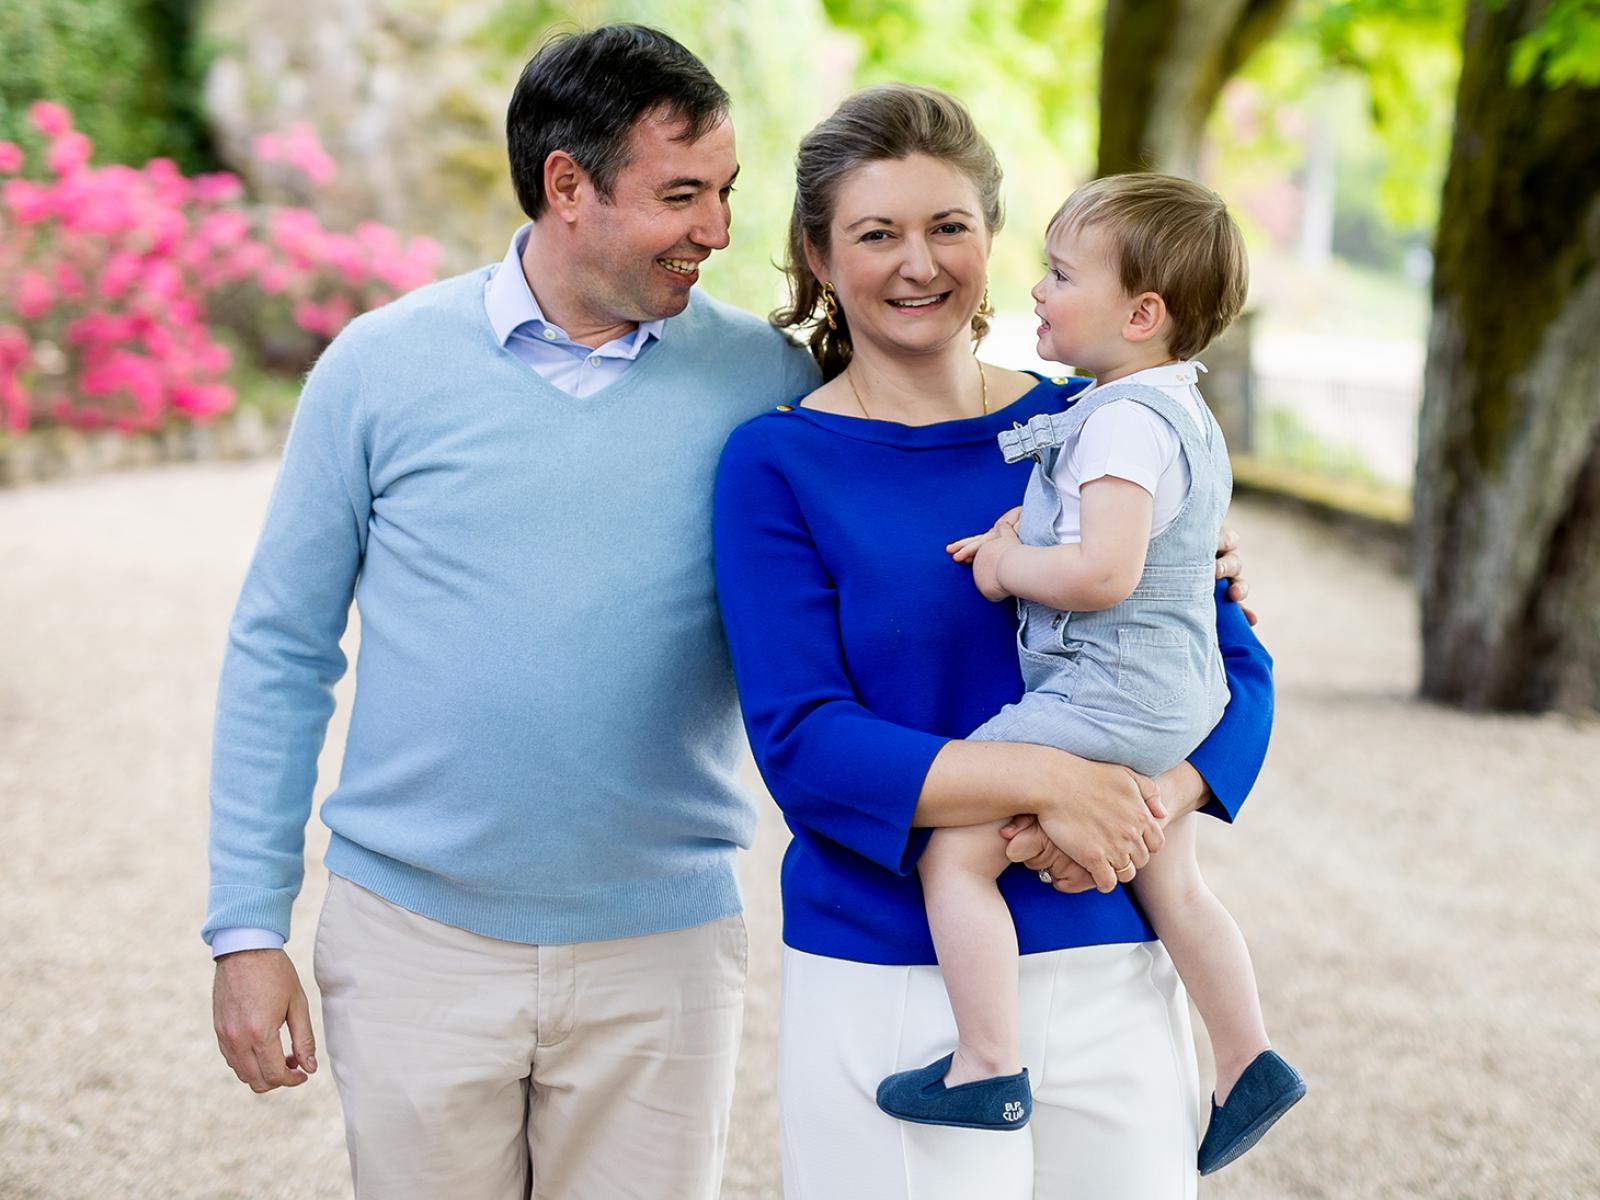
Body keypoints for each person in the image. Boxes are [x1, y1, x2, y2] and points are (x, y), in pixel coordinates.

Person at [204, 25, 818, 1200]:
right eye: (680, 194)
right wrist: (246, 927)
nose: (719, 230)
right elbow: (281, 648)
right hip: (413, 948)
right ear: (566, 186)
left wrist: (1134, 495)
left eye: (726, 192)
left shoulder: (767, 388)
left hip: (664, 958)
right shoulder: (379, 370)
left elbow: (913, 498)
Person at [712, 84, 1273, 1199]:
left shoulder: (1104, 422)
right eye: (876, 234)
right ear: (819, 257)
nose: (917, 263)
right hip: (891, 977)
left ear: (990, 239)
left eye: (947, 227)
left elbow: (1232, 667)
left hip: (1113, 953)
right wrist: (1054, 783)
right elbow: (806, 744)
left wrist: (1143, 807)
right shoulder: (775, 466)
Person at [876, 173, 1304, 1175]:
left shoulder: (1118, 421)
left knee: (955, 851)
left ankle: (985, 1061)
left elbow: (1104, 571)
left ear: (1142, 313)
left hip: (1109, 690)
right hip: (1173, 691)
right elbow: (1116, 529)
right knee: (1175, 884)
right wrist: (1024, 524)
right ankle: (1247, 1058)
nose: (1036, 290)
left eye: (1062, 275)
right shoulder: (1156, 408)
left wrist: (1003, 565)